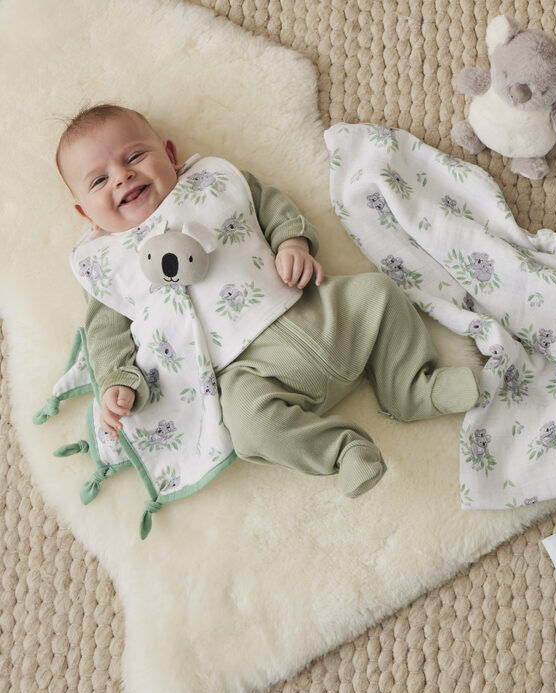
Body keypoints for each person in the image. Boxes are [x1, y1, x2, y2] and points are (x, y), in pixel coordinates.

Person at [57, 104, 479, 497]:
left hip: (313, 308)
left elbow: (270, 207)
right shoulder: (108, 266)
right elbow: (105, 336)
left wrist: (292, 243)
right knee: (248, 428)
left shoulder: (212, 185)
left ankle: (409, 388)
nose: (122, 177)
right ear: (85, 214)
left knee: (379, 293)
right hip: (246, 372)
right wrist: (117, 381)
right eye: (99, 181)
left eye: (134, 156)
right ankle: (342, 450)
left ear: (169, 154)